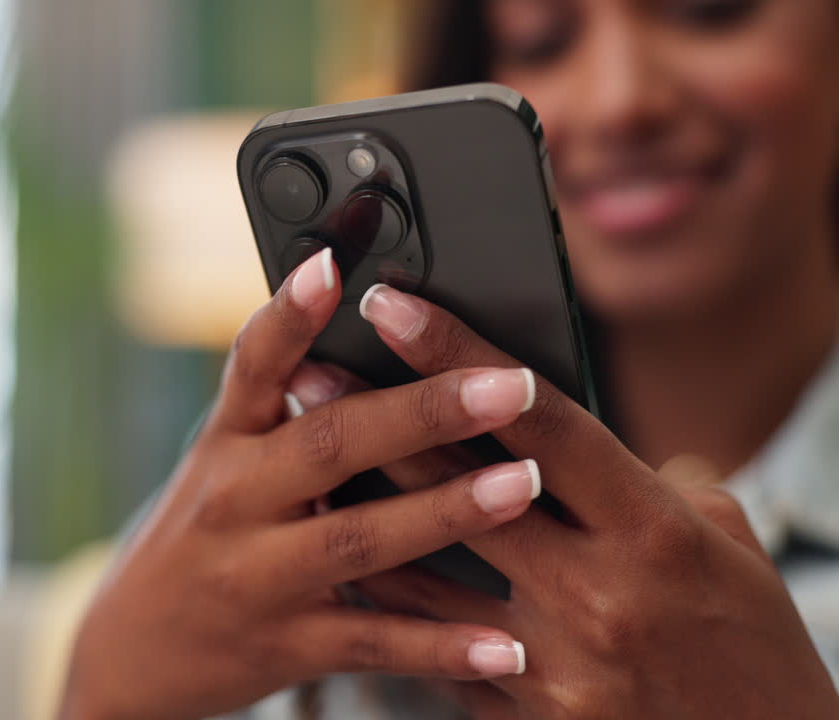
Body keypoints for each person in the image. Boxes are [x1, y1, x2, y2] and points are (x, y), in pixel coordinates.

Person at [60, 0, 839, 717]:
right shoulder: (314, 483)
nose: (619, 100)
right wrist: (105, 686)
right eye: (542, 40)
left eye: (708, 12)